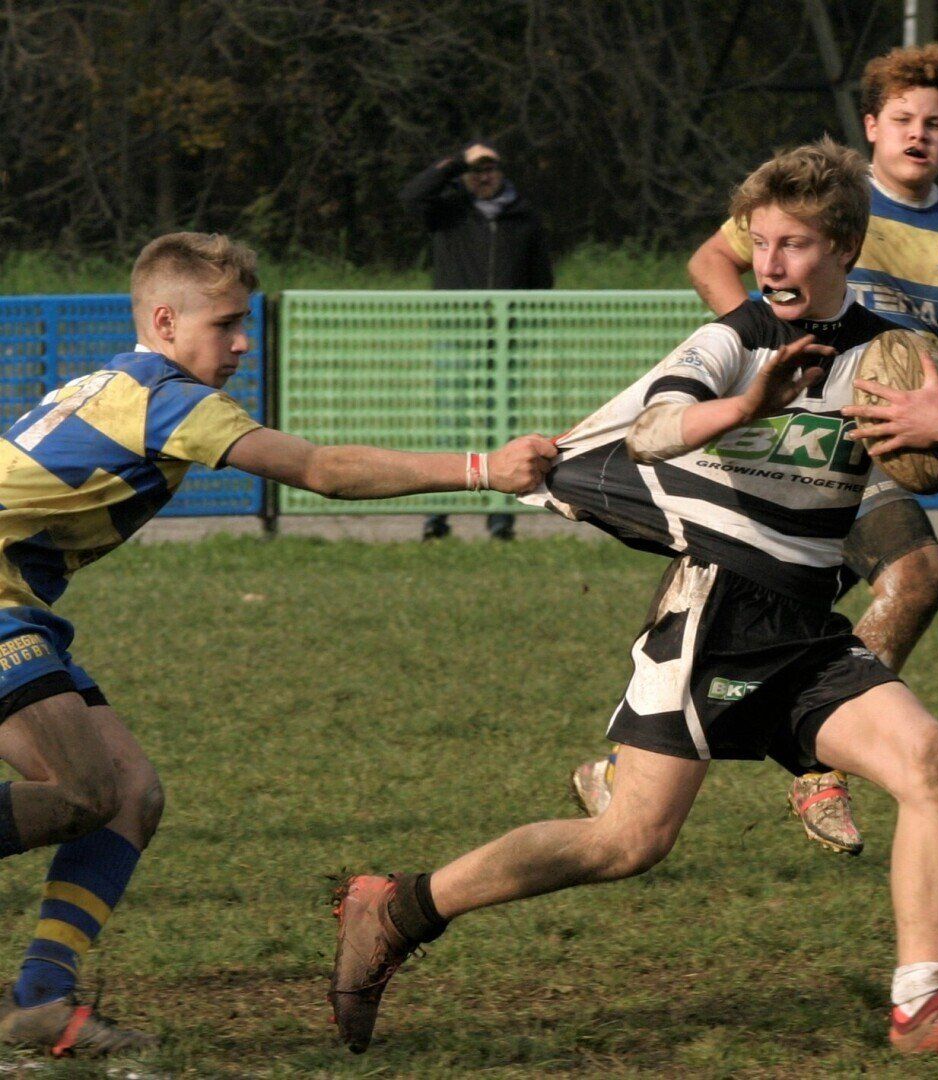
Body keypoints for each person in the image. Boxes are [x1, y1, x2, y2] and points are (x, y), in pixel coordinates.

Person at [329, 140, 938, 1060]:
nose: (769, 264)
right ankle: (395, 908)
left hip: (801, 630)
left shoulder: (892, 356)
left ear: (841, 245)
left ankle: (922, 1004)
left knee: (931, 764)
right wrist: (747, 406)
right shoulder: (736, 338)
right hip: (713, 615)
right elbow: (652, 431)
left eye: (791, 244)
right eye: (759, 243)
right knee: (628, 841)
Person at [0, 232, 552, 1056]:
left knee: (131, 794)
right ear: (164, 320)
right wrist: (482, 469)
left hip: (18, 604)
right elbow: (323, 469)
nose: (242, 341)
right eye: (225, 323)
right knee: (81, 790)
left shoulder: (117, 383)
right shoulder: (167, 397)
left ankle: (41, 998)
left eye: (245, 321)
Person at [569, 44, 938, 857]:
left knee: (859, 592)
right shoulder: (816, 203)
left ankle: (742, 760)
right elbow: (713, 259)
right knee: (845, 581)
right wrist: (767, 346)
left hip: (884, 438)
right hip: (803, 428)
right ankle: (797, 760)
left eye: (935, 124)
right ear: (871, 126)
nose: (919, 135)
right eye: (903, 119)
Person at [400, 140, 556, 542]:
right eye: (475, 171)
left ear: (502, 171)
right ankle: (438, 514)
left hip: (507, 337)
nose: (483, 177)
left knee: (500, 425)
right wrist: (454, 163)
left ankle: (501, 515)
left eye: (489, 169)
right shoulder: (449, 211)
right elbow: (411, 196)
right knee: (450, 423)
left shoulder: (525, 216)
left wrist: (530, 328)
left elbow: (541, 278)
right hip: (456, 330)